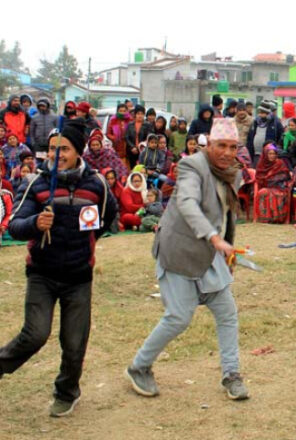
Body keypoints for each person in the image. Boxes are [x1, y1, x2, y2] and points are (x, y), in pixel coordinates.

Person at [0, 118, 117, 417]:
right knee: (35, 334)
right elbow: (15, 226)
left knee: (75, 342)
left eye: (63, 149)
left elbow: (107, 216)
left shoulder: (97, 185)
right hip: (42, 273)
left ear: (78, 150)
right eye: (52, 149)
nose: (56, 155)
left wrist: (88, 240)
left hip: (79, 277)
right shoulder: (36, 184)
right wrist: (36, 224)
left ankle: (67, 392)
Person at [125, 118, 248, 400]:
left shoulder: (233, 172)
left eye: (233, 147)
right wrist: (214, 237)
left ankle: (232, 374)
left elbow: (227, 213)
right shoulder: (193, 166)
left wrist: (227, 245)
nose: (227, 152)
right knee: (178, 317)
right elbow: (187, 203)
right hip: (178, 250)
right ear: (209, 144)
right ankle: (138, 367)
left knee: (227, 313)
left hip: (209, 255)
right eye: (221, 146)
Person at [254, 144, 292, 223]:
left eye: (274, 154)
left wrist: (272, 179)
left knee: (271, 193)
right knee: (263, 192)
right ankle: (265, 218)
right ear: (265, 154)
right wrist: (268, 180)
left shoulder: (280, 163)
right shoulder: (261, 165)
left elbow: (285, 175)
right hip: (266, 187)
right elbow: (259, 178)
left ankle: (277, 219)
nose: (272, 156)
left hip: (279, 187)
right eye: (270, 154)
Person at [247, 101, 284, 165]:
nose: (260, 115)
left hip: (269, 156)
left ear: (267, 113)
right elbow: (250, 137)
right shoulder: (255, 122)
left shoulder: (275, 122)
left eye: (262, 112)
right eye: (259, 112)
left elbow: (281, 137)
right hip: (255, 155)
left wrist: (275, 149)